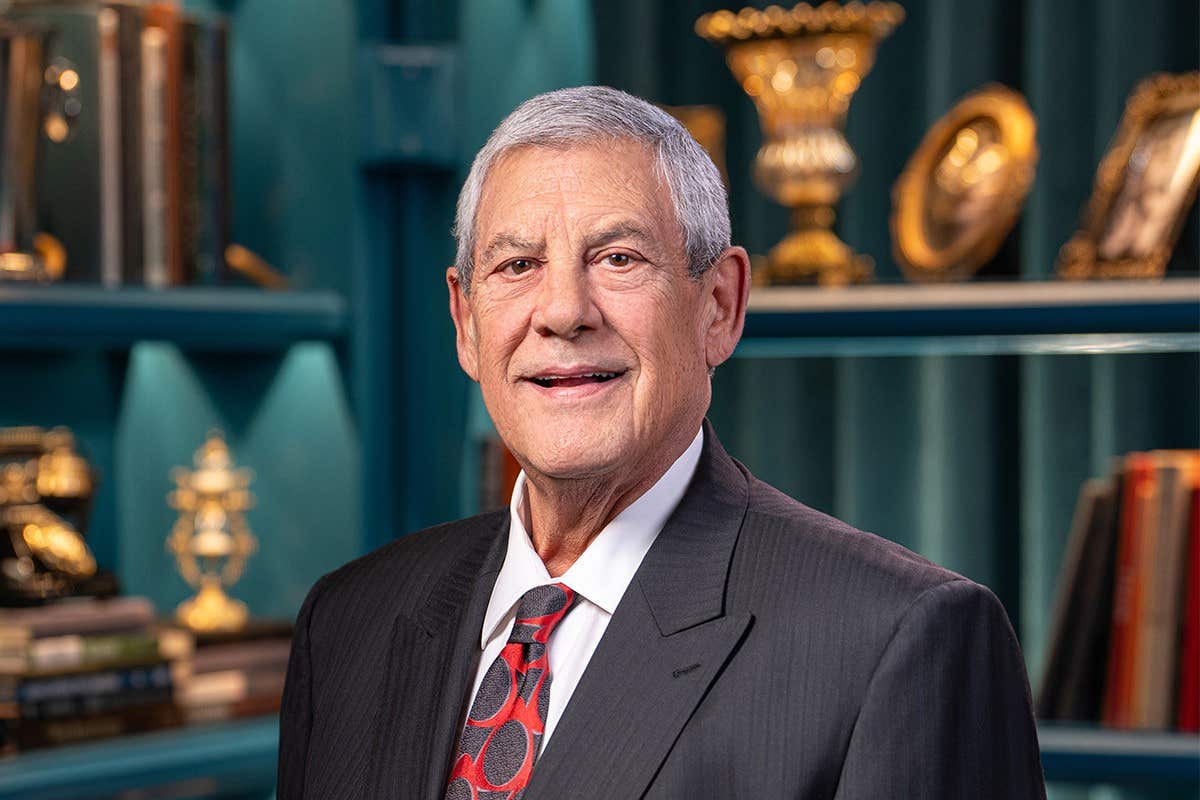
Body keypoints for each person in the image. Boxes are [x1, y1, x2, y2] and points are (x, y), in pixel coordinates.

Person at [277, 85, 1046, 799]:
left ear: (718, 306)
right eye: (518, 265)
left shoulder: (903, 641)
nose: (563, 313)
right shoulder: (348, 623)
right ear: (466, 324)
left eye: (618, 258)